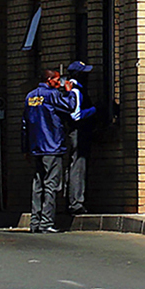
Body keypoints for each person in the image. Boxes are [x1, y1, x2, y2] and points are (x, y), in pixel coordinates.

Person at [22, 68, 73, 233]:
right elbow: (70, 107)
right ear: (50, 80)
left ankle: (34, 222)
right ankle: (46, 222)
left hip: (36, 146)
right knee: (51, 184)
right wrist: (69, 92)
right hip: (52, 146)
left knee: (37, 185)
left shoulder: (30, 96)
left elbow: (25, 124)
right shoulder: (52, 95)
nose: (59, 83)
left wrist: (25, 147)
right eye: (57, 81)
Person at [61, 61, 100, 223]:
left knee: (73, 166)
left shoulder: (73, 89)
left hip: (76, 132)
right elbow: (75, 115)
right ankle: (76, 203)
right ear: (78, 75)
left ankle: (71, 200)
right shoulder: (76, 91)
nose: (88, 77)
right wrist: (95, 110)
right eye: (85, 73)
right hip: (78, 132)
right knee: (78, 165)